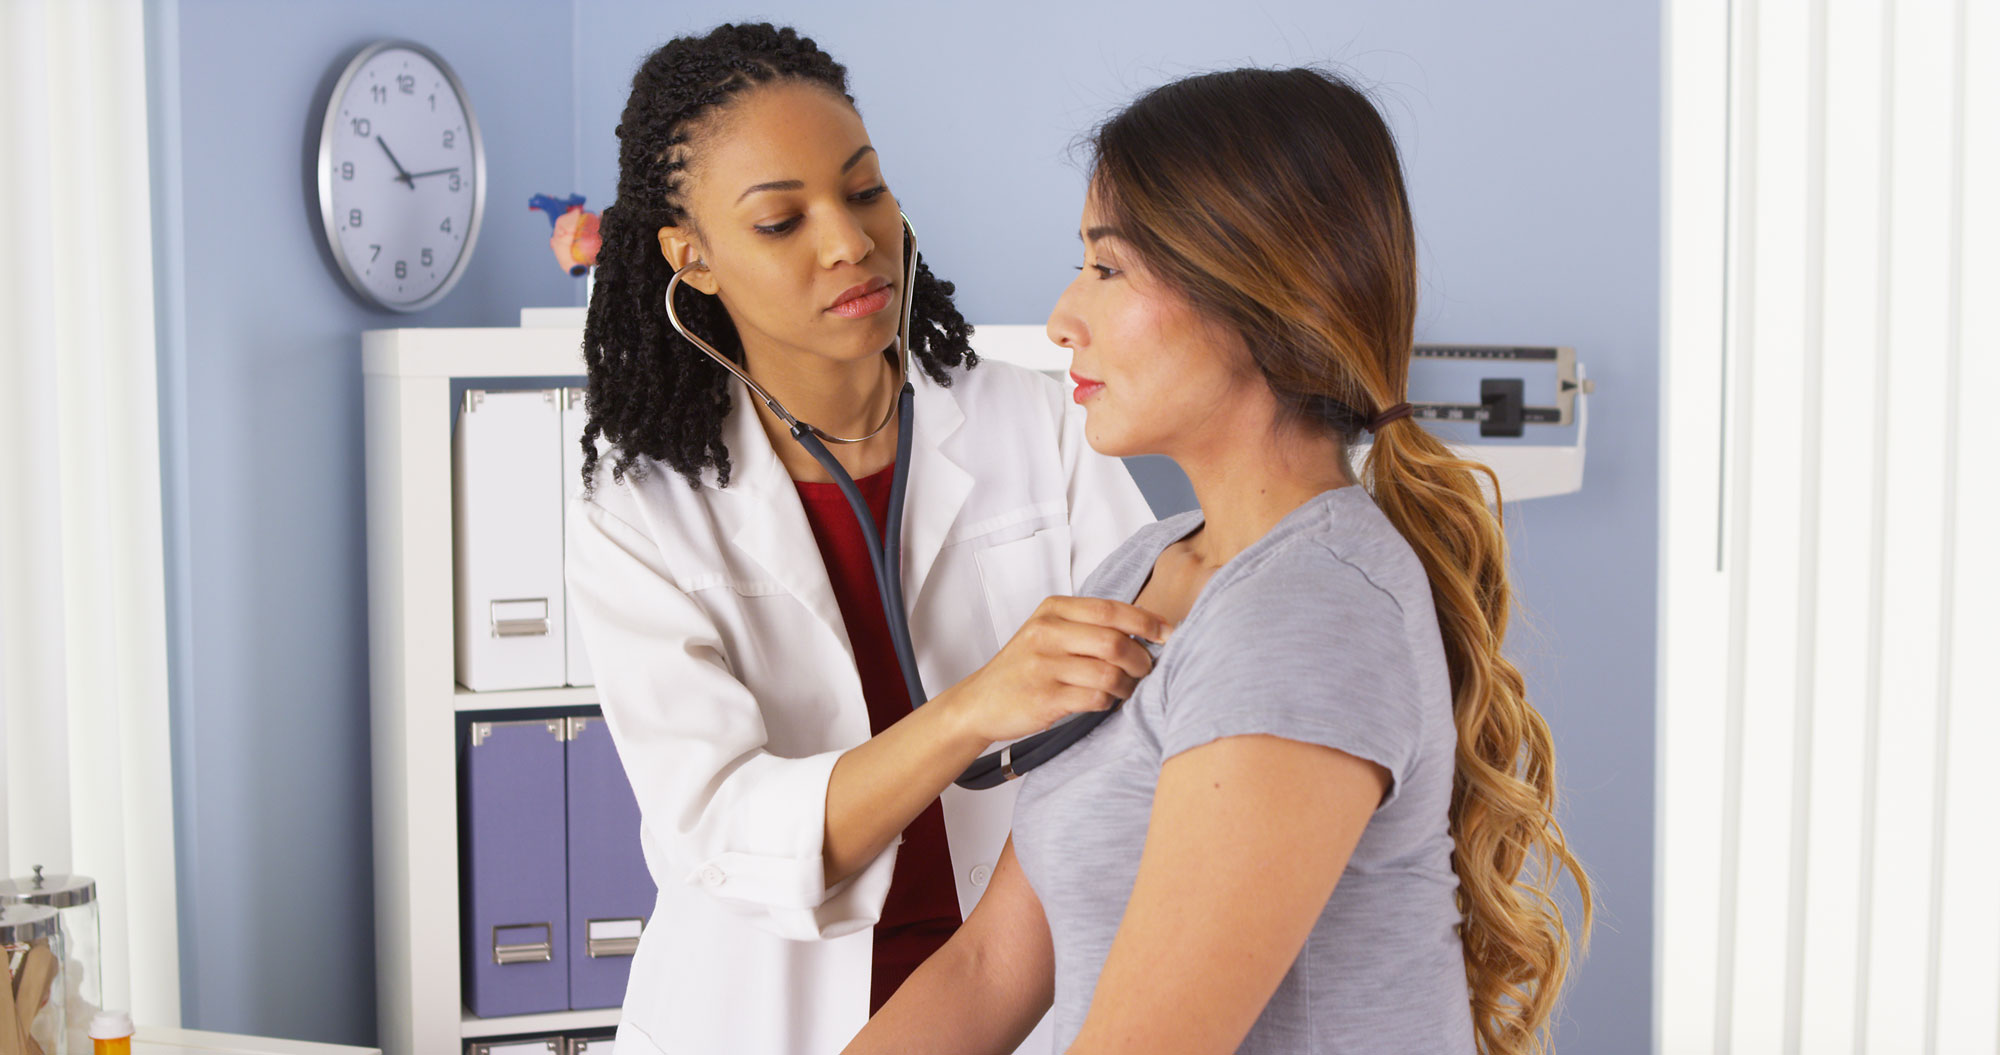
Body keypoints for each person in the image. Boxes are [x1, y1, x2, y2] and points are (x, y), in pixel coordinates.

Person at [848, 67, 1593, 1055]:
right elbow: (989, 968)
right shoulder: (1141, 569)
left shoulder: (1309, 606)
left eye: (1106, 270)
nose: (1065, 315)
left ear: (1256, 292)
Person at [564, 23, 1161, 1055]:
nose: (846, 239)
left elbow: (1151, 706)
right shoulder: (642, 509)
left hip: (1021, 990)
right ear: (689, 257)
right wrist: (977, 706)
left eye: (865, 189)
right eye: (780, 220)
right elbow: (719, 827)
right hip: (765, 1012)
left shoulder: (1041, 424)